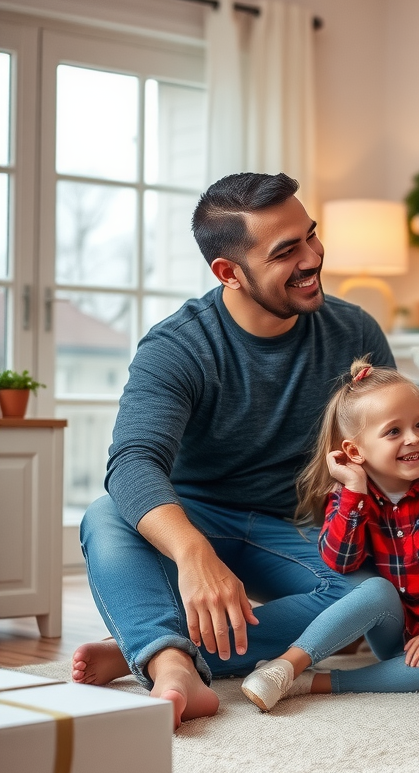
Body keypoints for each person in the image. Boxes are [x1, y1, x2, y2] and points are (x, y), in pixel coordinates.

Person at [71, 173, 394, 728]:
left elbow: (390, 441)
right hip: (199, 520)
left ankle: (152, 644)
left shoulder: (352, 330)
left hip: (296, 528)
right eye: (286, 251)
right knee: (105, 514)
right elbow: (132, 464)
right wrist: (194, 554)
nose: (313, 257)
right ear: (229, 273)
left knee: (367, 594)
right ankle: (168, 662)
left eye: (311, 236)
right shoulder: (179, 346)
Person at [240, 359, 419, 711]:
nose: (413, 438)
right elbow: (339, 562)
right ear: (355, 451)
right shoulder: (350, 495)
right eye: (393, 431)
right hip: (393, 628)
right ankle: (288, 664)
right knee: (376, 589)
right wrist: (354, 490)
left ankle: (313, 684)